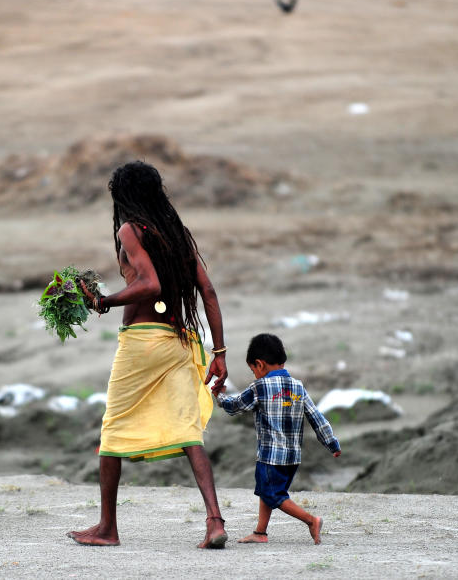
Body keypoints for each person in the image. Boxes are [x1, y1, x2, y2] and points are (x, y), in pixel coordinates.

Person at [68, 160, 229, 548]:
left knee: (112, 429)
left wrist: (105, 301)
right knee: (190, 432)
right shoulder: (175, 232)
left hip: (142, 341)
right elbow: (207, 292)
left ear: (123, 196)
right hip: (178, 341)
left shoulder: (130, 230)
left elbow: (151, 284)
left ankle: (107, 528)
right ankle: (215, 521)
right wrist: (219, 352)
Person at [214, 333, 341, 545]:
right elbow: (317, 418)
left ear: (259, 364)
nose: (255, 374)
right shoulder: (298, 386)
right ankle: (260, 532)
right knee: (269, 491)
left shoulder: (260, 387)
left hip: (270, 456)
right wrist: (332, 443)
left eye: (253, 370)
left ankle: (311, 521)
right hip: (292, 457)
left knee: (274, 495)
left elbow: (235, 406)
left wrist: (218, 396)